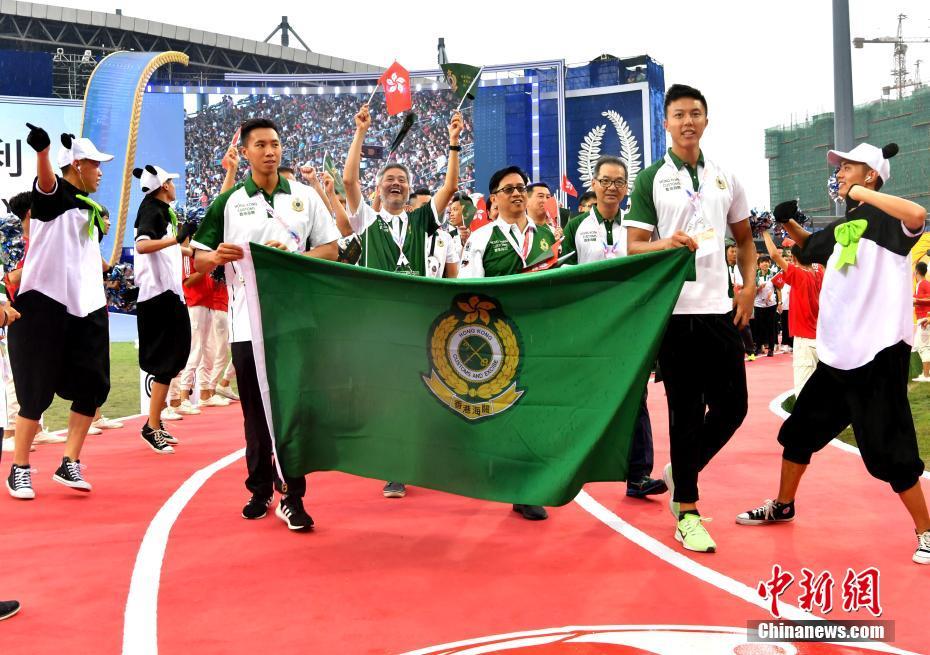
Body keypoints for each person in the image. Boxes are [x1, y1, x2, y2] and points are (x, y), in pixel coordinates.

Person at [736, 142, 930, 565]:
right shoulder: (849, 225)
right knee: (799, 433)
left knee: (890, 452)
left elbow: (918, 216)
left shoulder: (888, 220)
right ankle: (784, 505)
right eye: (839, 168)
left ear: (871, 175)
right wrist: (786, 220)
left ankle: (927, 531)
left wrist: (862, 194)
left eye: (849, 168)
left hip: (878, 355)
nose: (839, 174)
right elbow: (808, 249)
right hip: (838, 357)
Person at [624, 84, 755, 553]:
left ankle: (684, 469)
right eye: (678, 115)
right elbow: (634, 247)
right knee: (684, 411)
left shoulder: (725, 178)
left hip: (719, 310)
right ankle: (688, 512)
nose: (687, 122)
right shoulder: (651, 180)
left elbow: (744, 241)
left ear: (705, 119)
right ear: (666, 123)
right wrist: (665, 243)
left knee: (734, 407)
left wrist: (749, 286)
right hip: (675, 314)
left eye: (695, 114)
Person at [191, 117, 339, 531]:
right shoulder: (229, 203)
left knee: (292, 407)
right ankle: (259, 488)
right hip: (245, 324)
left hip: (295, 322)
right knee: (255, 412)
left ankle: (293, 495)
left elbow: (330, 249)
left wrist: (291, 260)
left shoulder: (306, 197)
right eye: (261, 145)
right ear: (246, 151)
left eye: (275, 143)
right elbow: (199, 256)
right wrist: (217, 257)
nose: (270, 151)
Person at [344, 104, 463, 499]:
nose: (395, 184)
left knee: (423, 390)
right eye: (389, 179)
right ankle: (394, 467)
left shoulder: (420, 220)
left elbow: (448, 188)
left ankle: (423, 457)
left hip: (418, 322)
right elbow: (348, 181)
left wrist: (453, 144)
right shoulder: (366, 221)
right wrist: (361, 132)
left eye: (402, 180)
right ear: (379, 188)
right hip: (380, 323)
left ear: (409, 190)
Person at [6, 125, 113, 499]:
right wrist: (43, 153)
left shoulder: (92, 208)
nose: (101, 171)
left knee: (94, 388)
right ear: (77, 165)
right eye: (95, 164)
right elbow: (49, 187)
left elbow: (80, 256)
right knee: (35, 393)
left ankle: (69, 462)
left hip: (87, 307)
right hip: (44, 305)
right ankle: (18, 469)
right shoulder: (54, 198)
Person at [561, 155, 667, 499]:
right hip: (588, 330)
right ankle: (564, 471)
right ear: (594, 184)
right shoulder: (576, 228)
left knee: (636, 398)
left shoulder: (636, 228)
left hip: (629, 328)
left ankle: (638, 476)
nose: (612, 188)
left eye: (619, 182)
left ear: (627, 188)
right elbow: (563, 275)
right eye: (605, 181)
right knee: (580, 399)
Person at [458, 165, 556, 521]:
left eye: (522, 187)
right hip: (497, 340)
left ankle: (525, 488)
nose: (517, 193)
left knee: (534, 410)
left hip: (540, 336)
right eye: (509, 189)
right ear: (494, 198)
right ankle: (502, 478)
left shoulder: (546, 237)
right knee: (502, 411)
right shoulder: (481, 239)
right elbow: (467, 292)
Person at [133, 164, 195, 453]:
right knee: (167, 361)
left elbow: (165, 247)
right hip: (158, 295)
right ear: (162, 186)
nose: (174, 185)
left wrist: (185, 248)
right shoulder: (152, 210)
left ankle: (154, 422)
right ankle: (152, 425)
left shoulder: (161, 211)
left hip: (168, 292)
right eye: (170, 181)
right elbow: (143, 246)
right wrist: (177, 238)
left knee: (176, 357)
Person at [764, 231, 823, 396]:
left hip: (804, 340)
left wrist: (763, 231)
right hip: (821, 337)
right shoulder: (819, 272)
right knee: (822, 390)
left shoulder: (798, 275)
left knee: (804, 391)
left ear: (794, 259)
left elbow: (775, 255)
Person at [726, 242, 755, 360]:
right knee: (729, 326)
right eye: (732, 252)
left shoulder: (741, 267)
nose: (734, 254)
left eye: (736, 252)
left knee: (744, 326)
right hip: (726, 302)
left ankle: (750, 351)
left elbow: (749, 284)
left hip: (740, 301)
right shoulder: (722, 267)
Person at [751, 255, 778, 357]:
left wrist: (779, 303)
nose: (765, 263)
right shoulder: (754, 276)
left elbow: (779, 288)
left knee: (771, 326)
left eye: (767, 261)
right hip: (758, 305)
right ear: (758, 265)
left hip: (771, 305)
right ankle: (758, 347)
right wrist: (758, 288)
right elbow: (752, 292)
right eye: (762, 262)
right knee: (759, 327)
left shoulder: (774, 275)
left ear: (770, 263)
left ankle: (771, 348)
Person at [912, 260, 930, 381]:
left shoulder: (924, 284)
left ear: (916, 271)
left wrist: (915, 301)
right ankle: (927, 373)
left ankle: (926, 375)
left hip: (924, 318)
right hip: (922, 318)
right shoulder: (920, 284)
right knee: (922, 346)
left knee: (923, 347)